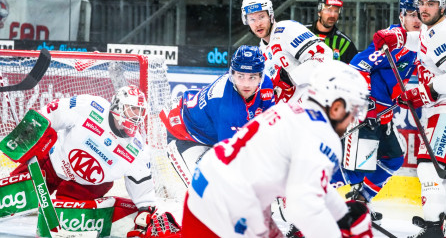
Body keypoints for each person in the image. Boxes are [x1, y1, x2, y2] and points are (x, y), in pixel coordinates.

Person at [181, 60, 373, 238]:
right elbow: (303, 207)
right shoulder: (322, 134)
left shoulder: (288, 111)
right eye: (354, 111)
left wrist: (342, 214)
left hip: (207, 186)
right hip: (227, 208)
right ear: (337, 108)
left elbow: (313, 184)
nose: (351, 121)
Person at [372, 0, 446, 238]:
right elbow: (420, 40)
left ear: (442, 5)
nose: (424, 9)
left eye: (430, 4)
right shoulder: (431, 27)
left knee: (428, 168)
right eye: (421, 4)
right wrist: (398, 37)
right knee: (437, 167)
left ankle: (434, 228)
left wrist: (419, 93)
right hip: (445, 106)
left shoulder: (445, 32)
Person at [9, 85, 181, 237]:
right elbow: (53, 112)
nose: (137, 117)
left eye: (140, 111)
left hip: (85, 187)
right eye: (132, 109)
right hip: (52, 164)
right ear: (117, 107)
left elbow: (142, 190)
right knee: (9, 195)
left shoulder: (137, 149)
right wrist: (29, 134)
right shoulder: (91, 107)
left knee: (62, 219)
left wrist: (145, 209)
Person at [329, 0, 421, 224]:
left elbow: (395, 78)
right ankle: (310, 194)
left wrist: (399, 96)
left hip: (384, 117)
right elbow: (358, 64)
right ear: (401, 16)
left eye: (419, 14)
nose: (416, 19)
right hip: (367, 115)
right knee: (359, 170)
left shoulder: (419, 44)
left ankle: (360, 201)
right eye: (410, 14)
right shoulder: (395, 38)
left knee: (393, 160)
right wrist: (367, 98)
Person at [159, 45, 274, 183]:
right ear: (232, 74)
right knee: (209, 190)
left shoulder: (266, 84)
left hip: (210, 133)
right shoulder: (228, 106)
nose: (246, 84)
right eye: (241, 76)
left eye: (252, 77)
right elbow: (230, 161)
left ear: (261, 76)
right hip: (182, 132)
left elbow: (268, 128)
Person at [241, 0, 334, 103]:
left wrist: (290, 78)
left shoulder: (287, 30)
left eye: (261, 17)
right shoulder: (262, 49)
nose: (257, 24)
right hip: (292, 114)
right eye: (252, 19)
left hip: (316, 106)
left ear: (270, 15)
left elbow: (324, 57)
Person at [306, 0, 358, 64]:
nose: (333, 15)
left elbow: (354, 71)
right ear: (319, 11)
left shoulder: (344, 43)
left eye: (336, 11)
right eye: (328, 10)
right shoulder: (302, 31)